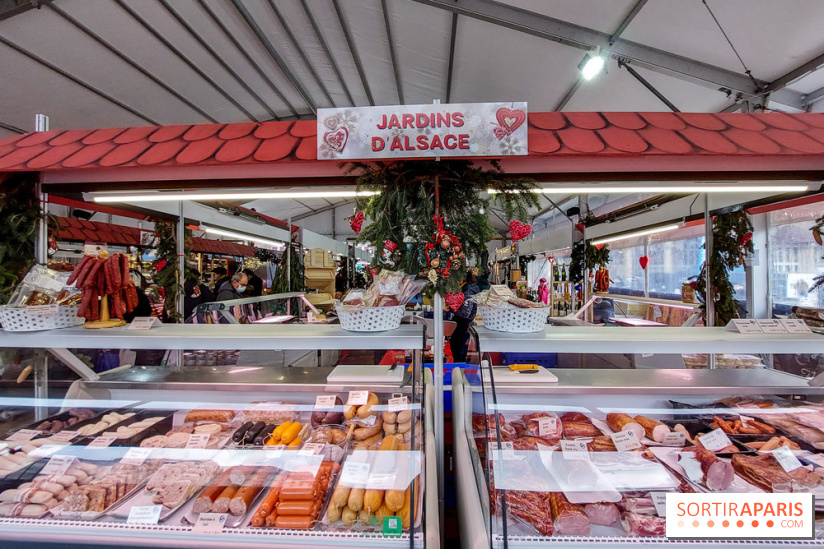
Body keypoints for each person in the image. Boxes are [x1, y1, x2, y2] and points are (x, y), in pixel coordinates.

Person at [449, 270, 480, 363]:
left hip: (463, 324)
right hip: (465, 323)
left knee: (459, 352)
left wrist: (450, 309)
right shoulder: (472, 287)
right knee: (460, 351)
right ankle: (458, 370)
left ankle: (459, 371)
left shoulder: (468, 291)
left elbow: (466, 312)